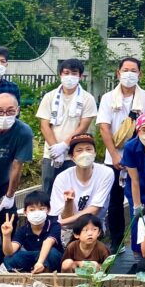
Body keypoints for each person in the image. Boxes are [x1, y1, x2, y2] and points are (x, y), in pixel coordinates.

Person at [97, 56, 145, 247]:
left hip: (139, 157)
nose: (129, 74)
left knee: (140, 199)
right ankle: (116, 242)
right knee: (115, 202)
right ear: (118, 73)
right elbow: (104, 127)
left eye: (133, 71)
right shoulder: (108, 98)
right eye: (125, 70)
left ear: (140, 74)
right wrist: (114, 155)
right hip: (113, 157)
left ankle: (142, 242)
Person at [37, 58, 98, 197]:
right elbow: (45, 125)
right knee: (48, 191)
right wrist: (56, 149)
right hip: (51, 154)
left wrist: (64, 145)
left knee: (73, 192)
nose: (70, 76)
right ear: (60, 74)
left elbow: (83, 126)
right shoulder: (49, 97)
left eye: (74, 73)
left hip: (75, 154)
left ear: (80, 76)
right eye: (66, 73)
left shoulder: (87, 98)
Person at [49, 132, 115, 245]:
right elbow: (63, 218)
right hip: (68, 230)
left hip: (93, 227)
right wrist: (68, 203)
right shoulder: (62, 178)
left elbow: (94, 210)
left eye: (89, 149)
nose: (85, 153)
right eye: (79, 150)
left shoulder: (106, 173)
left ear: (94, 153)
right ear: (72, 157)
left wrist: (60, 222)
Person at [1, 190, 62, 273]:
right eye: (32, 210)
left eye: (41, 209)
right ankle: (29, 272)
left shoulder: (54, 225)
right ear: (25, 212)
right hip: (32, 256)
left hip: (48, 257)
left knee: (52, 253)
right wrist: (6, 235)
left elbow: (48, 242)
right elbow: (9, 252)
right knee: (9, 258)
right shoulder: (23, 230)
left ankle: (44, 271)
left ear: (48, 210)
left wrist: (40, 263)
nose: (37, 212)